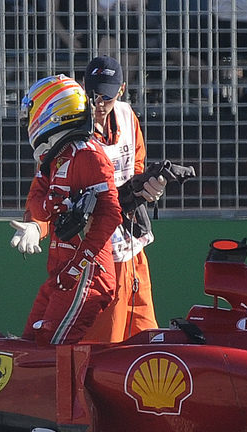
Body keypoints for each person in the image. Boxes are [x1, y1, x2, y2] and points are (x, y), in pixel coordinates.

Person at [12, 74, 122, 345]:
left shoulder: (89, 156)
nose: (28, 122)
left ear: (53, 112)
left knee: (51, 348)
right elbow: (37, 203)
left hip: (86, 274)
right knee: (30, 342)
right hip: (62, 271)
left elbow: (111, 215)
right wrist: (36, 226)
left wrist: (77, 266)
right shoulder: (53, 158)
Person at [82, 55, 165, 342]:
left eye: (106, 95)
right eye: (91, 94)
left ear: (121, 90)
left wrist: (148, 188)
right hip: (97, 246)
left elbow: (138, 165)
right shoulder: (73, 128)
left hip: (131, 239)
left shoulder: (128, 117)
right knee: (106, 336)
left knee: (145, 329)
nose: (98, 103)